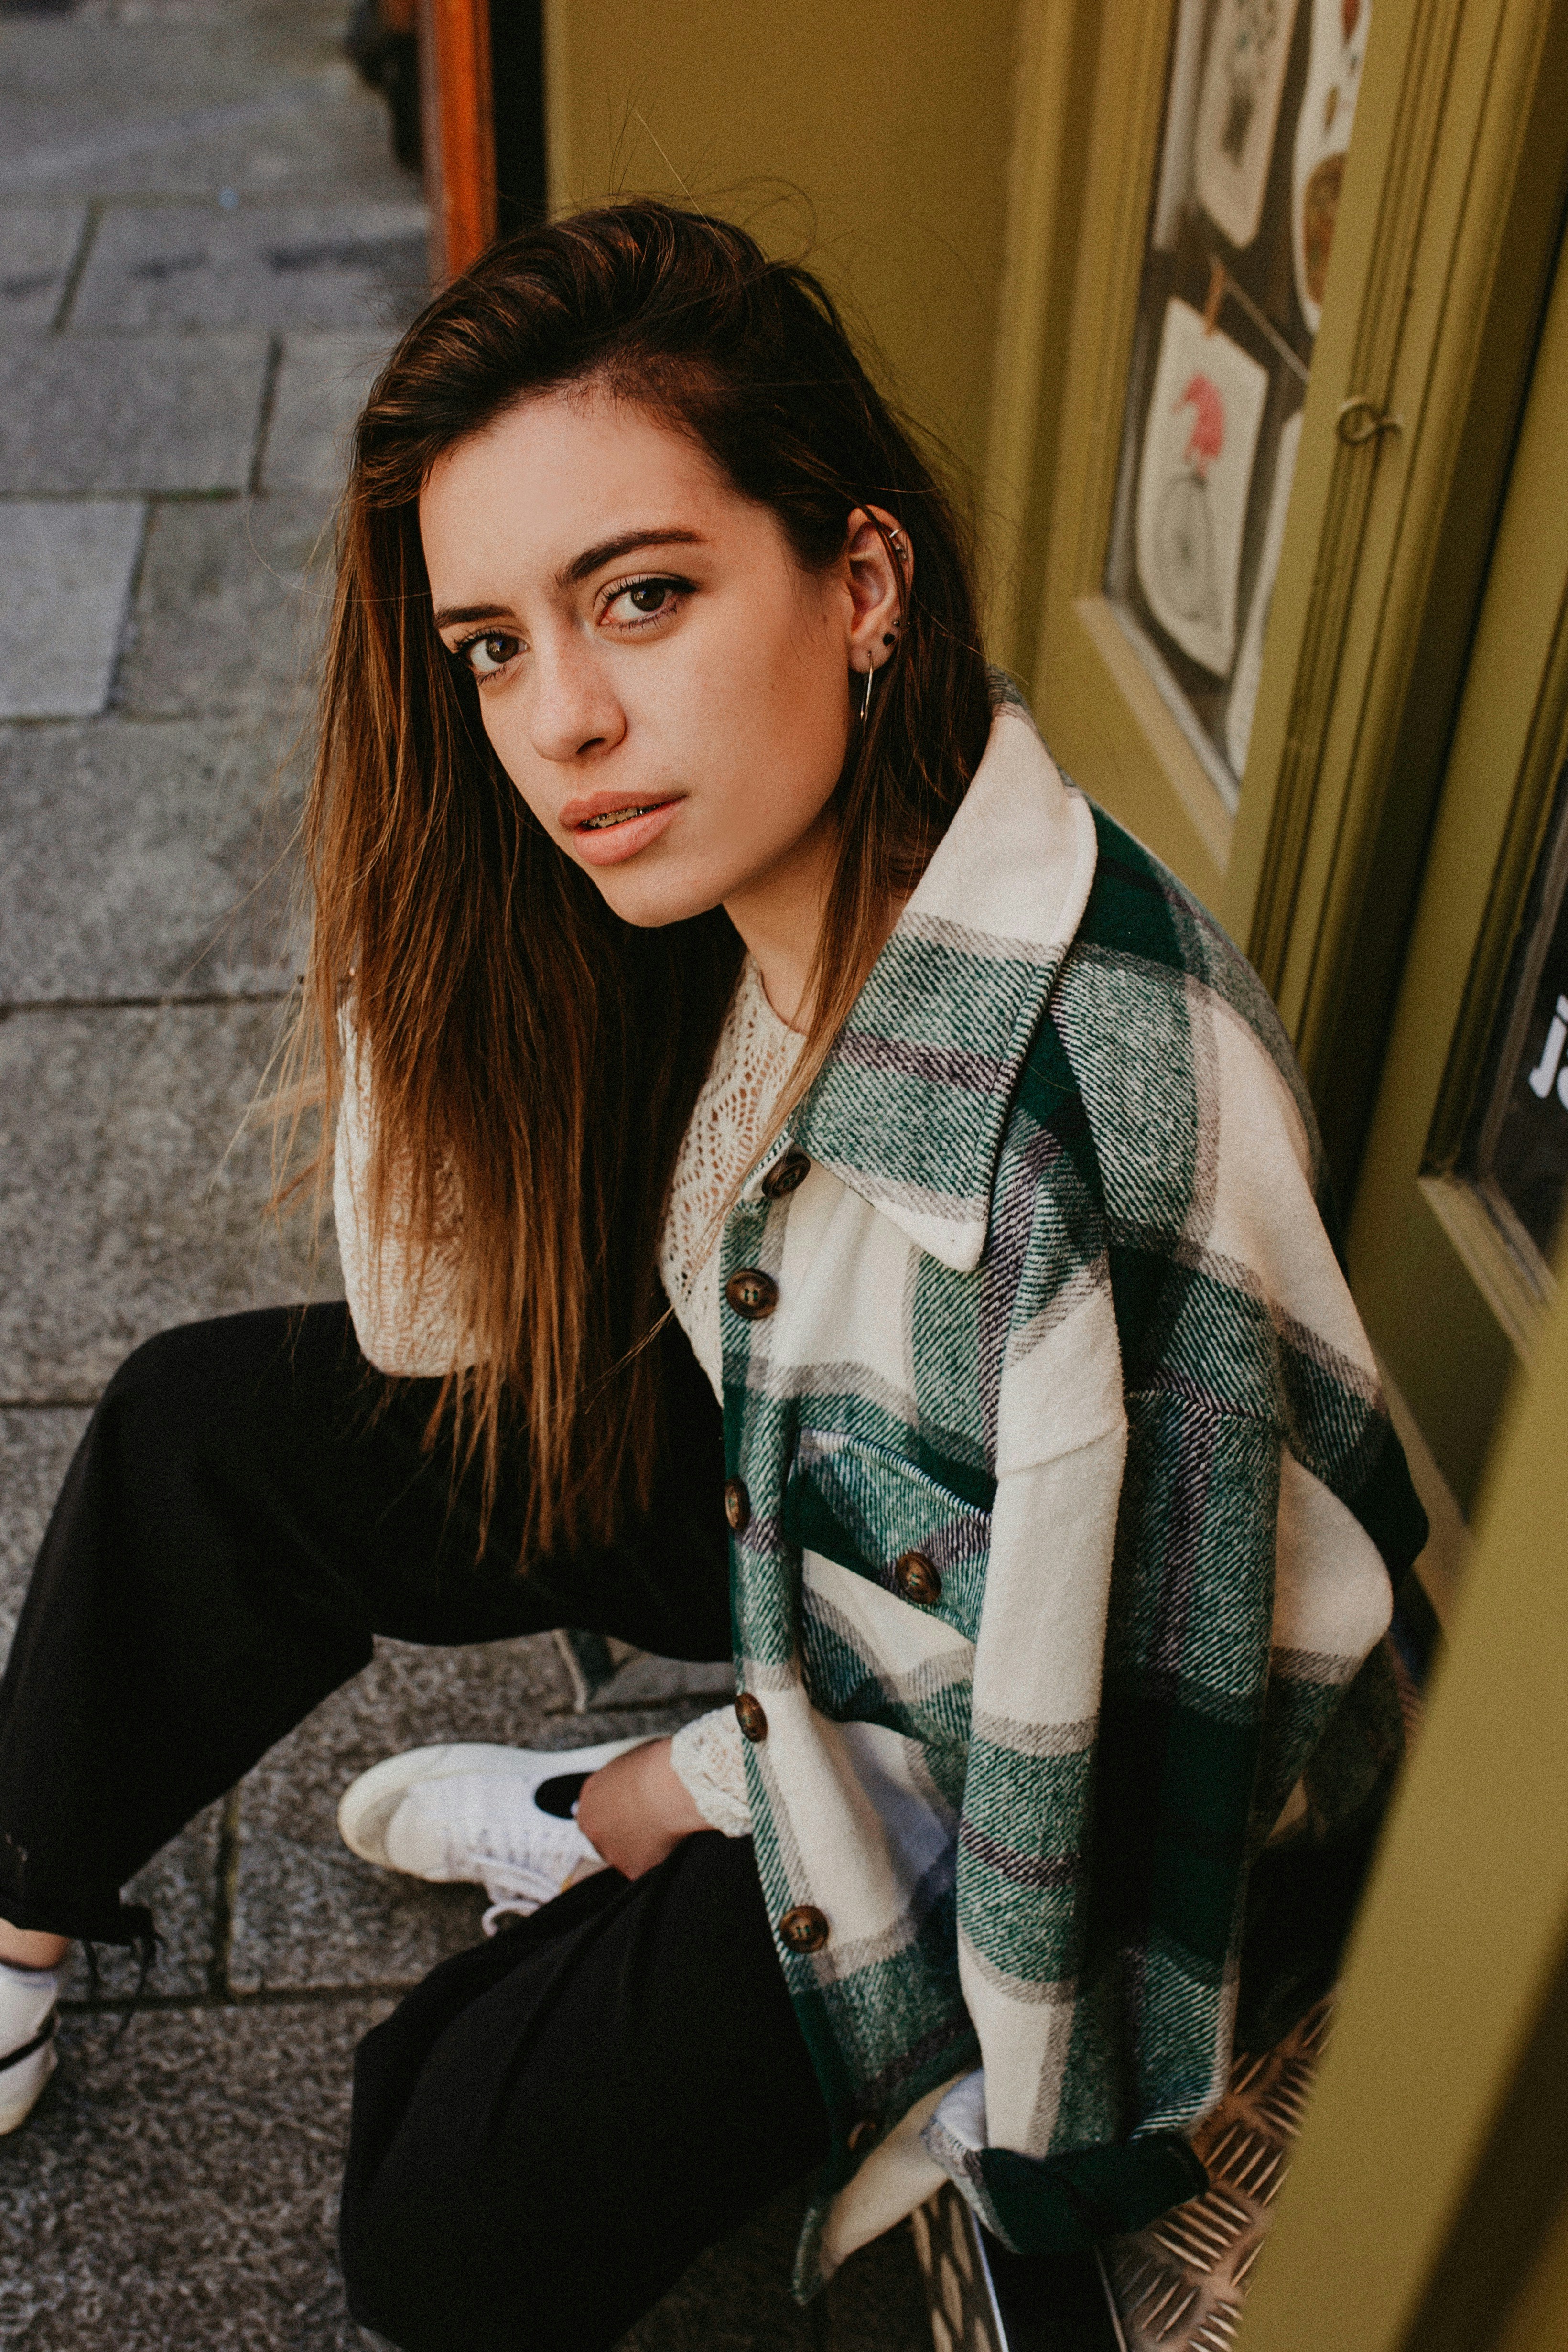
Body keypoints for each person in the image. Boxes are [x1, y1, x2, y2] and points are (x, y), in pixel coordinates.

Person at [0, 201, 1428, 2351]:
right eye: (489, 646)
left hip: (1039, 1745)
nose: (562, 721)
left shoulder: (1090, 1134)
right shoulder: (765, 854)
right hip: (818, 1490)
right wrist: (437, 864)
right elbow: (430, 1332)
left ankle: (601, 1812)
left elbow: (1080, 1777)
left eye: (639, 599)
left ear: (858, 582)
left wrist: (690, 1793)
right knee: (211, 1433)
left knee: (428, 2200)